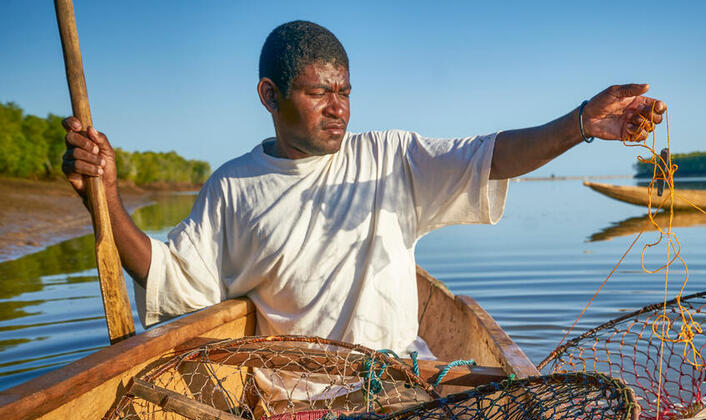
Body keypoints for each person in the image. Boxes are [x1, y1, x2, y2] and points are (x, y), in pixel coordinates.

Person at [62, 20, 665, 359]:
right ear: (270, 96)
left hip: (399, 383)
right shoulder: (232, 188)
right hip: (300, 403)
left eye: (345, 91)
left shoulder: (388, 158)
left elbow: (493, 155)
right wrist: (106, 195)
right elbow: (170, 276)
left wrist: (580, 123)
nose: (339, 109)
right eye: (319, 93)